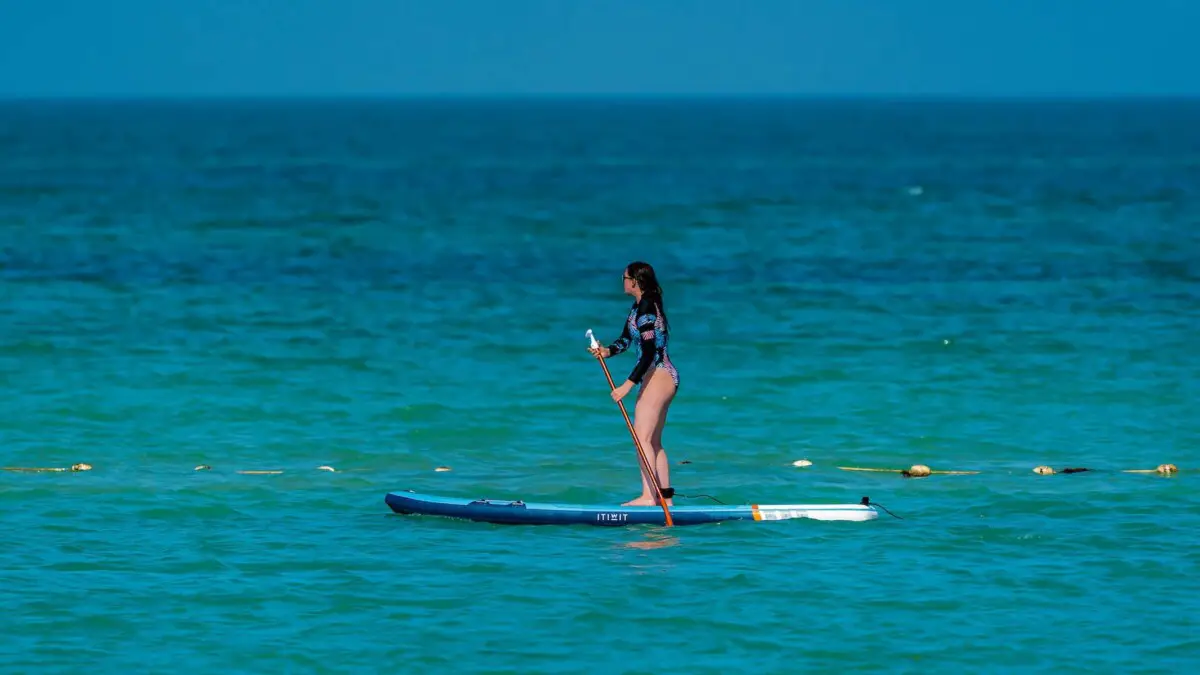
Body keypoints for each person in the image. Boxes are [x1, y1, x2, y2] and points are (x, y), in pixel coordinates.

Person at [588, 261, 680, 507]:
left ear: (635, 281)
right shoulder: (637, 307)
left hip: (659, 373)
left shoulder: (647, 307)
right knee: (653, 441)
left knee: (641, 438)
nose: (622, 281)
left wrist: (627, 385)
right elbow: (627, 339)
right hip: (658, 375)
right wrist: (607, 351)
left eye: (624, 277)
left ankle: (649, 497)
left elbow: (649, 353)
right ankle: (666, 500)